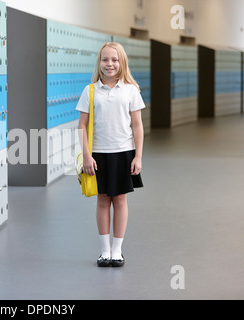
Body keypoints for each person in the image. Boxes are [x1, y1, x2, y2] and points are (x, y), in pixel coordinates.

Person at [76, 42, 145, 267]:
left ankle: (117, 251)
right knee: (103, 200)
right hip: (98, 154)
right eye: (105, 60)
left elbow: (137, 126)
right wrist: (86, 155)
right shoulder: (90, 90)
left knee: (121, 200)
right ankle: (104, 251)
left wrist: (138, 156)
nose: (110, 64)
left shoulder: (130, 90)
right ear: (100, 63)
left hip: (124, 152)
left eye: (114, 60)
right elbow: (82, 126)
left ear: (122, 62)